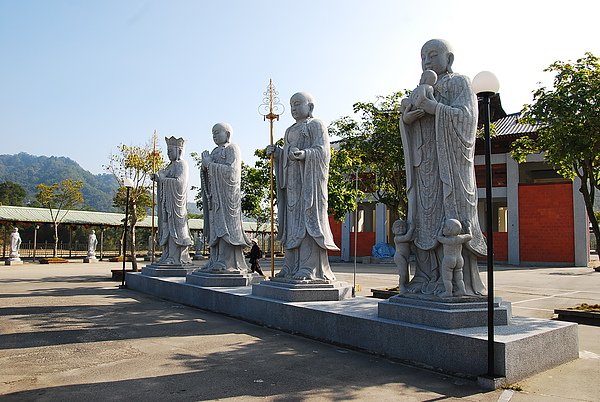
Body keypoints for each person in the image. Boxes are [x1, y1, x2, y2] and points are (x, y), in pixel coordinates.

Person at [399, 39, 486, 296]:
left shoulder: (458, 82)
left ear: (449, 59)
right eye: (423, 55)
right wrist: (407, 120)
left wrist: (434, 108)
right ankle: (425, 277)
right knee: (424, 219)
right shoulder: (420, 88)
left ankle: (458, 285)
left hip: (449, 166)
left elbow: (467, 118)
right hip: (425, 166)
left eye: (433, 54)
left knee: (449, 217)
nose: (426, 60)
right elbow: (409, 121)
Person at [266, 92, 339, 281]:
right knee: (293, 224)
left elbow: (323, 152)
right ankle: (290, 266)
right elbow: (286, 156)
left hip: (309, 185)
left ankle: (309, 267)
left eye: (298, 104)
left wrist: (305, 154)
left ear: (310, 107)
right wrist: (278, 154)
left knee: (307, 223)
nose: (294, 109)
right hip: (292, 186)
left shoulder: (316, 125)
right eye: (291, 105)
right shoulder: (289, 130)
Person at [200, 123, 251, 272]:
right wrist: (204, 167)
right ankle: (215, 259)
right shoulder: (214, 151)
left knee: (225, 228)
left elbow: (232, 172)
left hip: (228, 197)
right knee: (215, 227)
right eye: (212, 133)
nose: (214, 136)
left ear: (227, 134)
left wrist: (210, 165)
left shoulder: (232, 148)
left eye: (217, 132)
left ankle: (228, 262)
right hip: (215, 197)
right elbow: (207, 175)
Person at [151, 136, 194, 265]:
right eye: (167, 151)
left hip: (176, 203)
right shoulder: (169, 166)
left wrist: (163, 179)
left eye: (171, 151)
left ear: (179, 151)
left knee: (176, 228)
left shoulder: (182, 164)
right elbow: (165, 179)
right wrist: (158, 179)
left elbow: (180, 183)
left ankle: (176, 257)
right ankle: (167, 254)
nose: (168, 153)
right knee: (166, 227)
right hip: (167, 203)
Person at [437, 219, 471, 297]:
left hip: (448, 259)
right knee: (459, 278)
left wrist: (441, 226)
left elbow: (439, 237)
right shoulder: (460, 238)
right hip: (459, 259)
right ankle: (462, 290)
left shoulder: (447, 240)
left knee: (447, 278)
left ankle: (448, 292)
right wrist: (468, 227)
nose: (443, 229)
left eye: (445, 227)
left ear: (449, 230)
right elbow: (470, 236)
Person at [392, 219, 414, 294]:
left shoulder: (405, 237)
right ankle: (401, 285)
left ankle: (406, 285)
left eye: (403, 227)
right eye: (398, 227)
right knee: (403, 273)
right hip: (399, 256)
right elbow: (407, 237)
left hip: (406, 257)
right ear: (393, 230)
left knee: (407, 272)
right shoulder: (397, 238)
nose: (401, 228)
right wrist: (412, 229)